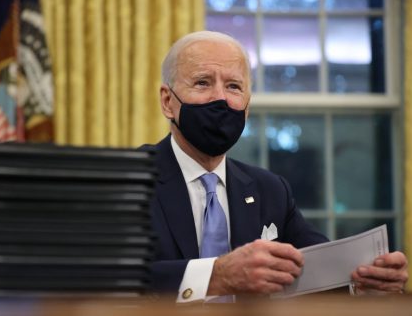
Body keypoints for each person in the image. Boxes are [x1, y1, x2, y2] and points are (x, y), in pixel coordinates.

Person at [145, 31, 408, 303]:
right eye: (202, 83)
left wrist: (364, 284)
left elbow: (319, 270)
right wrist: (216, 276)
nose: (220, 98)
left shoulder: (270, 190)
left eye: (234, 86)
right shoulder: (124, 181)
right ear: (167, 101)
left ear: (247, 106)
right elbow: (105, 276)